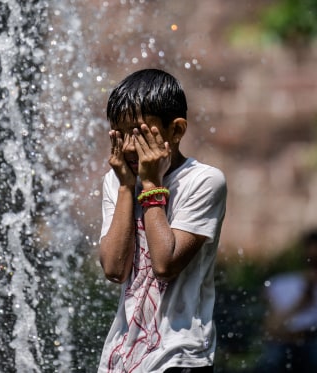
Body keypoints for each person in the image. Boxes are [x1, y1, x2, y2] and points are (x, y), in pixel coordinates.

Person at [97, 69, 227, 373]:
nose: (129, 146)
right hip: (121, 358)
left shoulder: (204, 181)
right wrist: (128, 187)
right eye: (120, 133)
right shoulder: (116, 182)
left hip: (179, 357)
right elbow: (115, 269)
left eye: (140, 132)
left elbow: (165, 265)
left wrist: (151, 185)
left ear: (176, 130)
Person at [253, 229, 317, 373]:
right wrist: (301, 302)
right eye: (312, 259)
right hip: (285, 341)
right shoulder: (283, 283)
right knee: (272, 361)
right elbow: (270, 330)